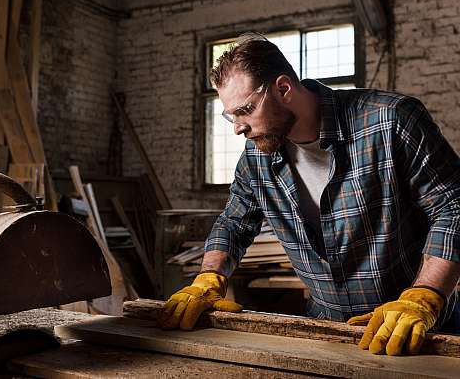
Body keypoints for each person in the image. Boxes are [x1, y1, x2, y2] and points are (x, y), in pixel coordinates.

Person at [157, 33, 460, 356]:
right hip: (328, 333)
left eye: (245, 110)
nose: (237, 128)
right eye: (230, 116)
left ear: (283, 89)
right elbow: (233, 223)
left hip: (419, 330)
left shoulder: (391, 121)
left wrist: (424, 296)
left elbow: (453, 207)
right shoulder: (257, 157)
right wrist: (208, 278)